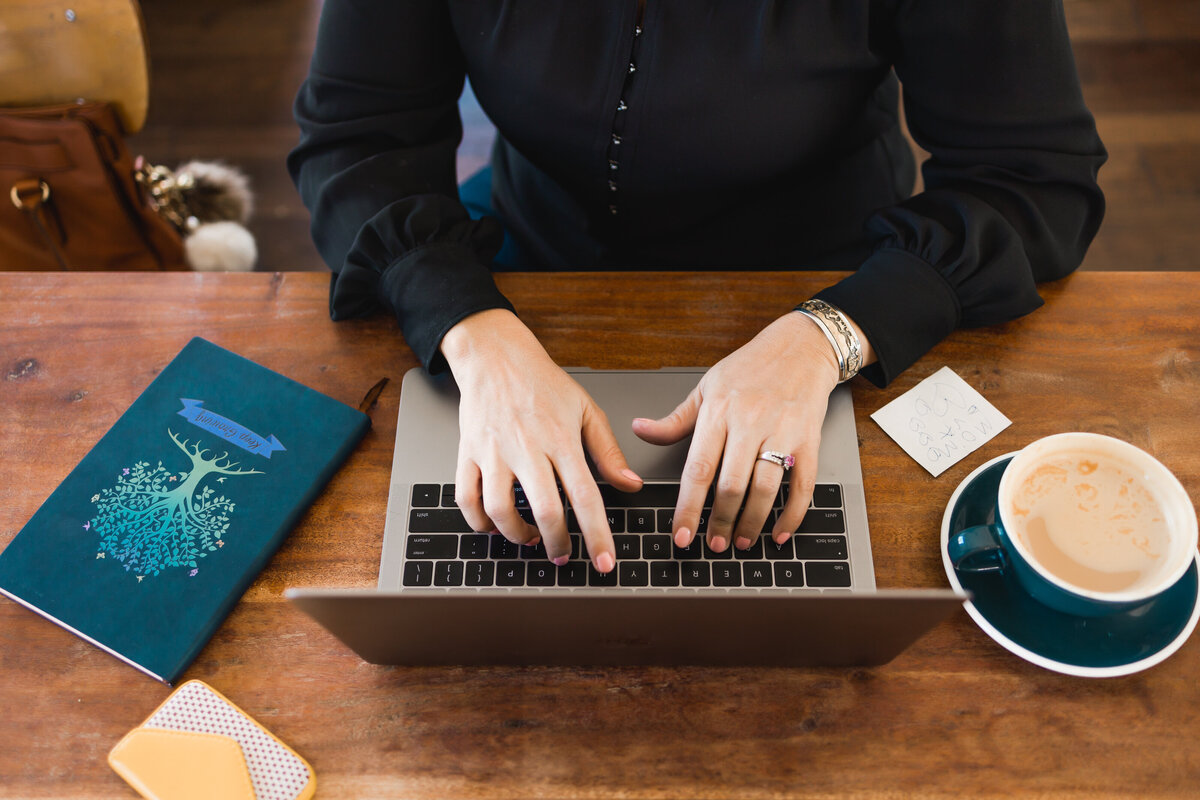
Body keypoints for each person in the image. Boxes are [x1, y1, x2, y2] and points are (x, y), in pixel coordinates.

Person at [288, 2, 1106, 576]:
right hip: (523, 261)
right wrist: (471, 327)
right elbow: (359, 133)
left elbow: (1032, 183)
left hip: (826, 275)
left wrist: (829, 332)